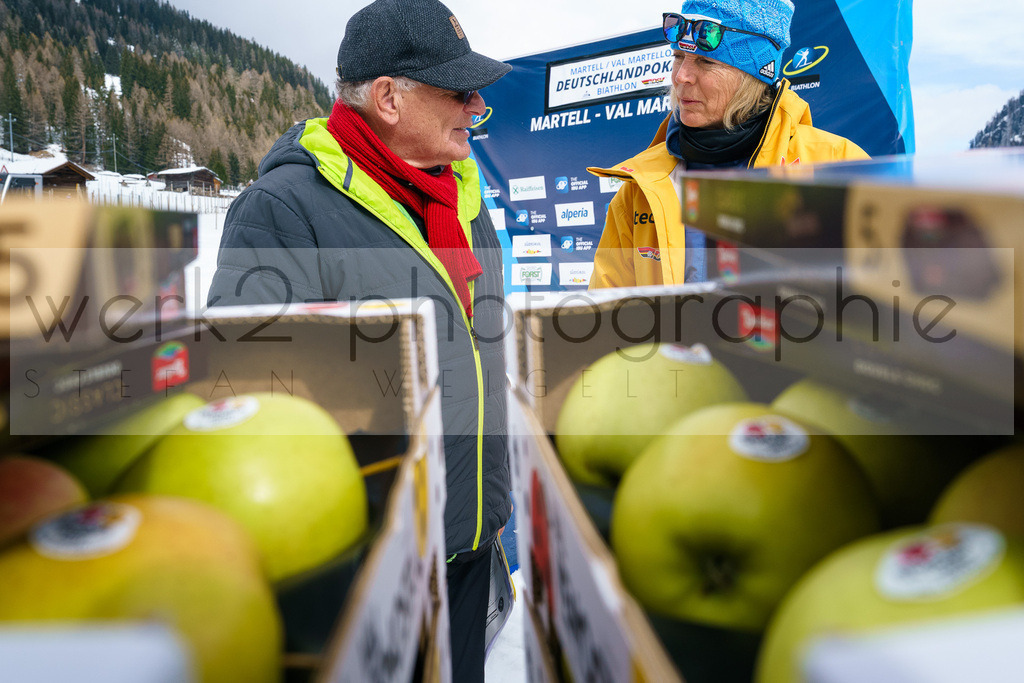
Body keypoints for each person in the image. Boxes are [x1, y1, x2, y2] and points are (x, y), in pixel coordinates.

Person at [205, 1, 511, 679]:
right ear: (388, 98)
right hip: (370, 574)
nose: (477, 103)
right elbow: (244, 397)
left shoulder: (462, 200)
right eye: (459, 90)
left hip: (471, 548)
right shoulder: (283, 208)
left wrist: (493, 511)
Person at [588, 0, 869, 289]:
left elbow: (880, 300)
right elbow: (605, 311)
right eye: (677, 57)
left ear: (753, 76)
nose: (681, 76)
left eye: (705, 62)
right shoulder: (642, 186)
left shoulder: (837, 164)